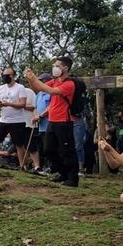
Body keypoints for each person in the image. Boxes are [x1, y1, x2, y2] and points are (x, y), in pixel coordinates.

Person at [25, 57, 79, 187]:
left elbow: (51, 91)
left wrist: (35, 79)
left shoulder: (69, 84)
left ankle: (72, 178)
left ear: (65, 68)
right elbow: (39, 88)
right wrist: (31, 79)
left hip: (64, 121)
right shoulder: (54, 81)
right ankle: (62, 172)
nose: (54, 68)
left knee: (67, 150)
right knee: (49, 149)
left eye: (57, 65)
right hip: (52, 121)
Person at [0, 67, 35, 168]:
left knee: (19, 144)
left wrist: (8, 103)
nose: (5, 77)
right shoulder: (0, 89)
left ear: (13, 76)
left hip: (17, 120)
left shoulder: (20, 88)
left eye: (8, 75)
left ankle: (22, 166)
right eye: (4, 75)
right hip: (3, 119)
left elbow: (23, 104)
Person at [29, 73, 52, 174]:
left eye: (41, 81)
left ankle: (52, 167)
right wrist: (35, 116)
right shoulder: (38, 94)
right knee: (41, 147)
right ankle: (40, 167)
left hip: (49, 124)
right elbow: (35, 108)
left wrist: (41, 115)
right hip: (40, 126)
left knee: (49, 147)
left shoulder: (51, 93)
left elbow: (50, 107)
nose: (40, 83)